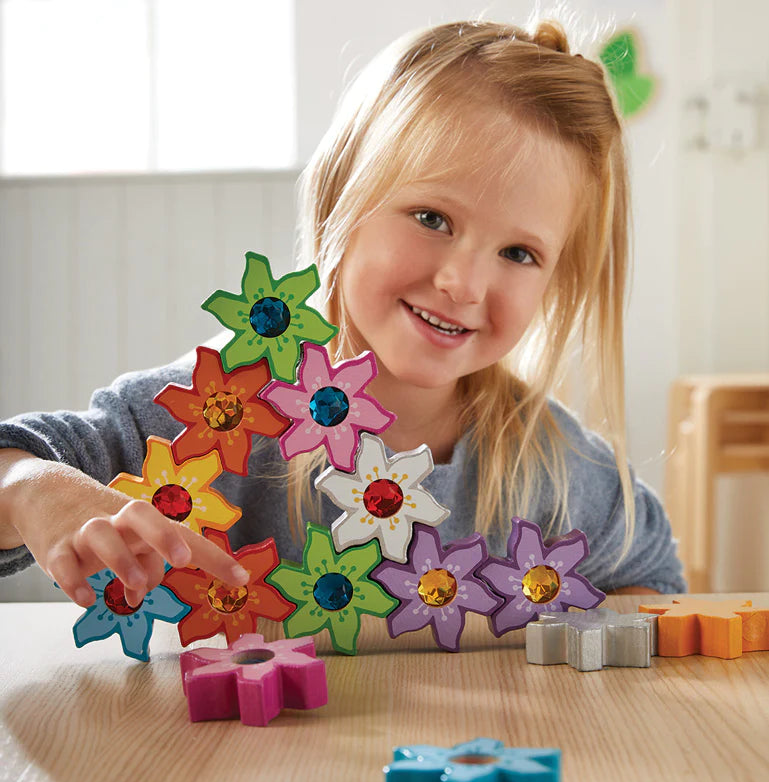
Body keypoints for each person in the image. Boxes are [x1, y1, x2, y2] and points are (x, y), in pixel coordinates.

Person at [0, 18, 686, 611]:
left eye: (518, 252)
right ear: (339, 200)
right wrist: (36, 490)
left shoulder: (558, 474)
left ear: (557, 280)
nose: (462, 282)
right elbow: (14, 466)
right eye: (430, 217)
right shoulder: (207, 417)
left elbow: (652, 584)